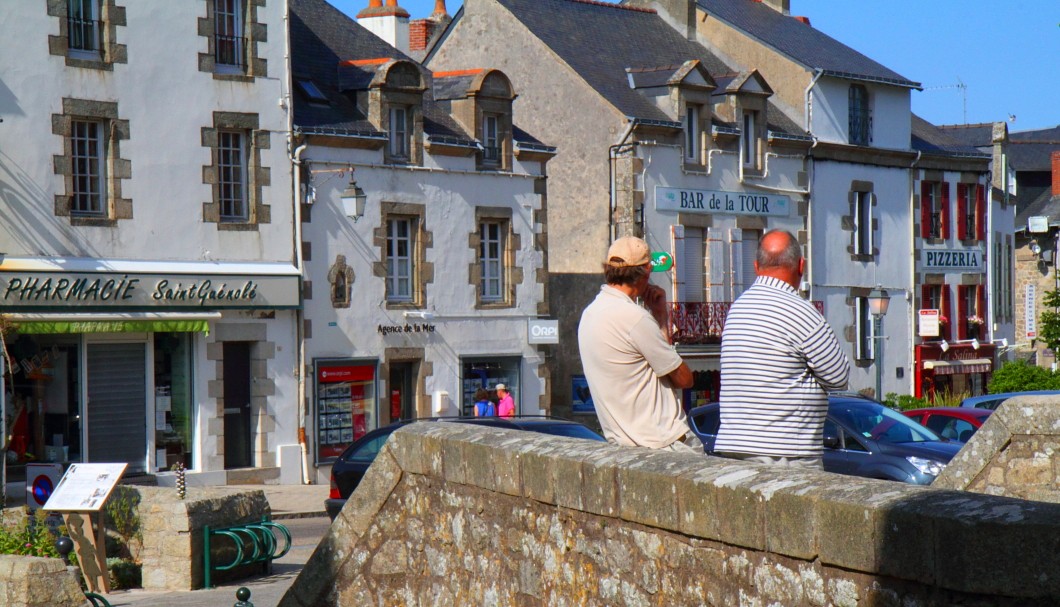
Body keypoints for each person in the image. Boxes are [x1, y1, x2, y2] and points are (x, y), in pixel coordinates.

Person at [715, 229, 850, 468]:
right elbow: (838, 377)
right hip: (785, 451)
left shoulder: (737, 309)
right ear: (801, 265)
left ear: (756, 266)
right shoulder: (801, 312)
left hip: (734, 446)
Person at [577, 236, 696, 451]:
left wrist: (657, 316)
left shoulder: (589, 314)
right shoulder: (635, 318)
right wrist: (660, 316)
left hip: (624, 445)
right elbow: (684, 379)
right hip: (663, 442)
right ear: (646, 272)